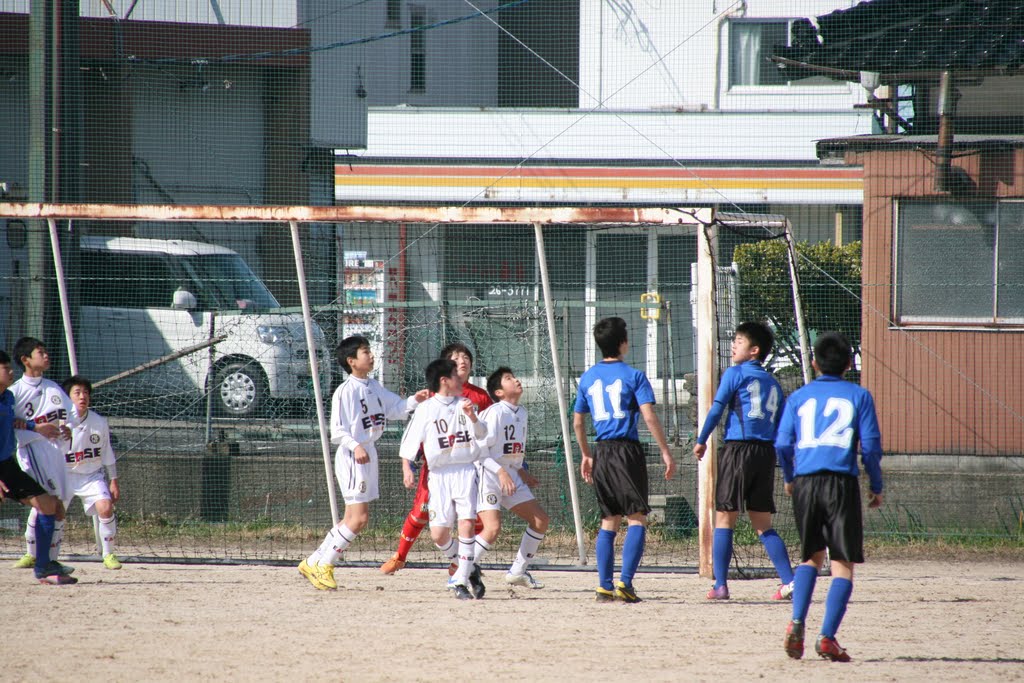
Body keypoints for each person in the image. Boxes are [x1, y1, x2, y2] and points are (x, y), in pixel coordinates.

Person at [775, 332, 883, 662]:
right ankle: (827, 637)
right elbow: (872, 447)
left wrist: (790, 477)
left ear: (814, 362)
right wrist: (876, 485)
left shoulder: (798, 397)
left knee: (810, 556)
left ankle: (796, 622)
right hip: (841, 483)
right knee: (842, 564)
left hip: (806, 483)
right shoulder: (859, 396)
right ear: (850, 364)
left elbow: (781, 444)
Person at [298, 336, 427, 591]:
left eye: (369, 351)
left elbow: (397, 408)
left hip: (368, 453)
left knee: (350, 518)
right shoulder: (345, 392)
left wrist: (416, 399)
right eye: (365, 352)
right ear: (351, 361)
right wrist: (354, 445)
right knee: (359, 519)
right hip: (353, 456)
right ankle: (325, 564)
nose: (371, 355)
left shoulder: (373, 386)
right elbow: (337, 430)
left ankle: (312, 561)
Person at [573, 316, 676, 603]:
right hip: (627, 451)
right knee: (637, 519)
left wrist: (585, 454)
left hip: (602, 450)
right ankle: (626, 583)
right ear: (622, 343)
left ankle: (604, 585)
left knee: (609, 520)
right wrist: (666, 451)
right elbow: (648, 415)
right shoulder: (634, 376)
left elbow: (578, 422)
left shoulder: (588, 377)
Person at [693, 321, 795, 600]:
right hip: (765, 455)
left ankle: (721, 585)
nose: (733, 345)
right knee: (763, 522)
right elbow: (783, 429)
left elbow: (716, 409)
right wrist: (788, 470)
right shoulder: (774, 383)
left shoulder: (735, 373)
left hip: (738, 450)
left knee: (724, 518)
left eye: (739, 341)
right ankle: (789, 581)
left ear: (754, 350)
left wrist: (702, 439)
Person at [380, 342, 493, 575]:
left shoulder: (478, 397)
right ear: (445, 375)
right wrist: (408, 464)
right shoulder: (432, 401)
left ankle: (462, 569)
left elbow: (485, 431)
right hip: (437, 469)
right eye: (455, 358)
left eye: (465, 357)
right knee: (427, 517)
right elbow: (415, 435)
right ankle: (401, 556)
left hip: (469, 466)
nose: (462, 361)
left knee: (471, 519)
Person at [399, 358, 487, 600]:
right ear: (444, 381)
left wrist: (473, 418)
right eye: (455, 376)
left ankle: (458, 580)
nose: (461, 380)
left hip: (465, 470)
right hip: (438, 475)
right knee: (439, 534)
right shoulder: (426, 408)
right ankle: (469, 570)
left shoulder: (466, 404)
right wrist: (407, 467)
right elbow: (410, 442)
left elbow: (482, 434)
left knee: (466, 524)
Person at [0, 350, 77, 585]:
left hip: (6, 464)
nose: (11, 372)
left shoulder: (8, 398)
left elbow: (12, 419)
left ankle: (43, 566)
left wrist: (35, 426)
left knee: (48, 505)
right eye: (6, 368)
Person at [474, 367, 549, 589]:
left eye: (514, 377)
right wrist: (501, 471)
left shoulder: (522, 412)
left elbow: (513, 450)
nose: (516, 380)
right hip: (489, 475)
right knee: (492, 529)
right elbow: (480, 452)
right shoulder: (495, 412)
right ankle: (461, 570)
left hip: (511, 474)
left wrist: (520, 470)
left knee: (540, 520)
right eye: (509, 379)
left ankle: (517, 571)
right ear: (498, 392)